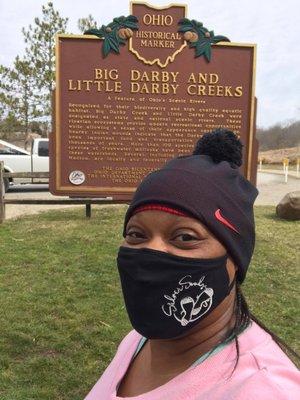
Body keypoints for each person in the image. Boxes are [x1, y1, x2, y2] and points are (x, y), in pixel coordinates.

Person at [84, 129, 299, 399]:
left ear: (235, 259)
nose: (153, 250)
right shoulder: (137, 343)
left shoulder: (264, 390)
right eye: (137, 234)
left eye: (185, 237)